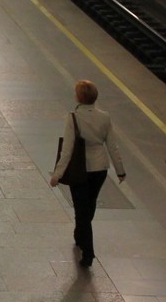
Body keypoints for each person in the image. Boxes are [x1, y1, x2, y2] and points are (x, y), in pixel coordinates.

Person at [47, 79, 125, 268]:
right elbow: (112, 145)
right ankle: (80, 235)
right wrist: (120, 170)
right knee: (88, 208)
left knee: (81, 210)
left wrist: (57, 174)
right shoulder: (105, 117)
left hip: (79, 169)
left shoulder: (73, 117)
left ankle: (88, 253)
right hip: (100, 169)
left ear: (79, 97)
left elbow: (67, 149)